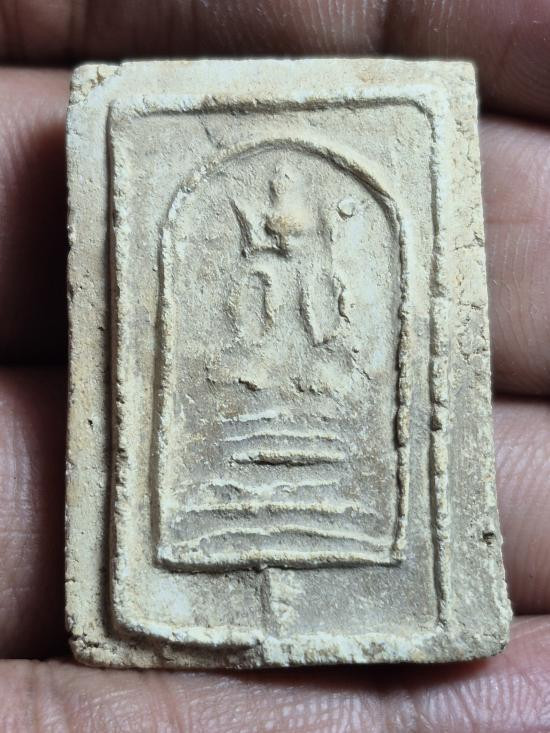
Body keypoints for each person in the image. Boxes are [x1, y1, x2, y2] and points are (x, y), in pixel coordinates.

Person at [0, 1, 549, 730]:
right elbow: (254, 300)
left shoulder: (318, 266)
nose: (281, 198)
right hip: (259, 364)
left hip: (314, 369)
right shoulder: (257, 271)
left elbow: (327, 309)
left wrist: (313, 287)